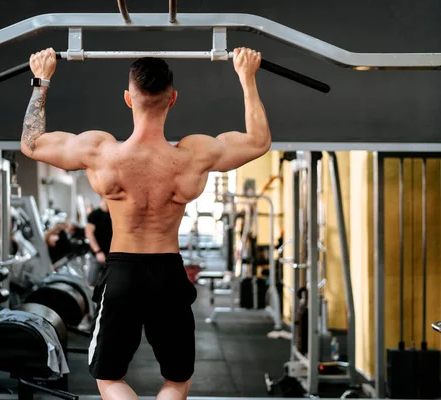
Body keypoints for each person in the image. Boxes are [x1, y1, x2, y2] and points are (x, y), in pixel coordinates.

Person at [21, 47, 271, 400]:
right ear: (173, 99)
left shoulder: (101, 152)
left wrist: (41, 80)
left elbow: (31, 144)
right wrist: (247, 76)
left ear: (127, 99)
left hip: (122, 272)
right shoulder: (192, 155)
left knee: (109, 378)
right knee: (176, 380)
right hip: (169, 273)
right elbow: (259, 141)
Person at [85, 197, 113, 285]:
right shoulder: (94, 215)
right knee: (92, 282)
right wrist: (98, 252)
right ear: (102, 200)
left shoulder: (113, 216)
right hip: (97, 255)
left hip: (110, 255)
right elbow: (89, 234)